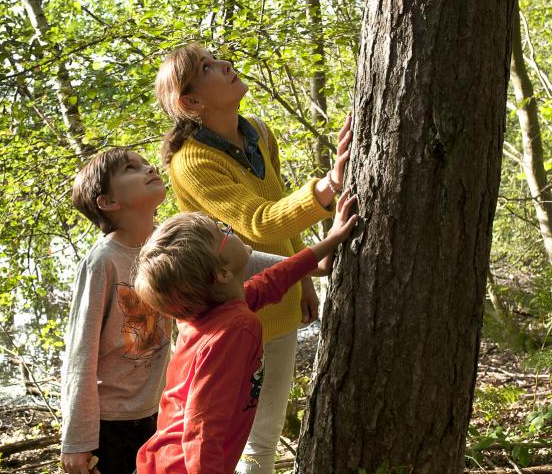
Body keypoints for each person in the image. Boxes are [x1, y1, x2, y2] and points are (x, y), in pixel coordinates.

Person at [155, 42, 353, 473]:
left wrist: (300, 276)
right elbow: (257, 222)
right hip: (225, 320)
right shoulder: (192, 163)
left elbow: (278, 206)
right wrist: (329, 185)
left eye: (217, 58)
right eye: (208, 67)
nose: (225, 64)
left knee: (262, 440)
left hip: (275, 306)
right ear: (191, 101)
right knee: (221, 439)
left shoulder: (258, 132)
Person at [134, 191, 358, 474]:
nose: (229, 229)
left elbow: (271, 281)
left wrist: (331, 241)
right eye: (222, 231)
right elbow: (202, 425)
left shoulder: (213, 313)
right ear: (222, 274)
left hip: (166, 461)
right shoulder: (234, 330)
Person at [60, 147, 171, 474]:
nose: (148, 167)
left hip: (159, 411)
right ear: (108, 202)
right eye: (130, 168)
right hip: (110, 424)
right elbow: (80, 354)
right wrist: (77, 440)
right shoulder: (102, 263)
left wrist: (308, 262)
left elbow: (233, 261)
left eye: (144, 162)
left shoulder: (167, 243)